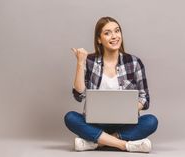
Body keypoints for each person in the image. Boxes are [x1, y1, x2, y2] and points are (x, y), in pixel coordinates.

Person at [64, 17, 158, 153]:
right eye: (107, 33)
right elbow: (79, 95)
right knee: (70, 117)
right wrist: (80, 62)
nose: (114, 36)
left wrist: (126, 108)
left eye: (117, 31)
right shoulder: (90, 61)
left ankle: (95, 143)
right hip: (95, 123)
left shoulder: (134, 62)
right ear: (99, 39)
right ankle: (124, 145)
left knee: (151, 121)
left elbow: (145, 99)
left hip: (125, 124)